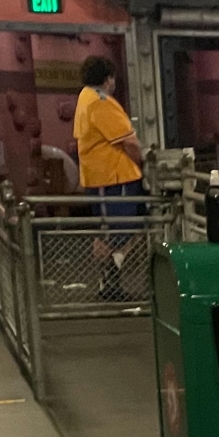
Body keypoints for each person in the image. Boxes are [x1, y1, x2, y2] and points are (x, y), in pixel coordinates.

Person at [73, 55, 144, 293]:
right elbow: (129, 142)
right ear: (107, 79)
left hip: (98, 177)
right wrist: (141, 164)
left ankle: (109, 280)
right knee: (121, 231)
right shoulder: (102, 102)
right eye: (112, 78)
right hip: (115, 178)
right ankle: (111, 280)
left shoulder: (85, 97)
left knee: (107, 232)